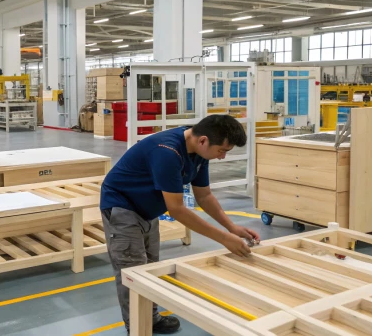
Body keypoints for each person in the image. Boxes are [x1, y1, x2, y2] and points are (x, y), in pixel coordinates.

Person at [100, 115, 259, 334]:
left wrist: (232, 228)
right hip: (122, 207)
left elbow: (204, 196)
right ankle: (137, 326)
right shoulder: (167, 152)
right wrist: (223, 238)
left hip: (147, 209)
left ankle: (152, 318)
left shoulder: (199, 153)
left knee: (151, 266)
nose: (222, 157)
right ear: (203, 140)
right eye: (222, 150)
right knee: (133, 271)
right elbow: (176, 209)